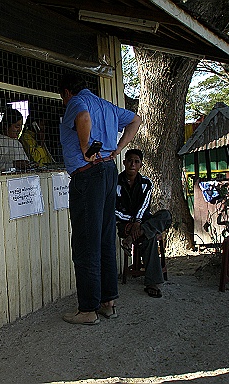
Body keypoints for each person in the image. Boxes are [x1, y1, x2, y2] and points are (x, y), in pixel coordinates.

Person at [58, 72, 141, 325]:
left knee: (85, 241)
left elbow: (82, 117)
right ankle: (108, 302)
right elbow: (136, 120)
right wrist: (119, 148)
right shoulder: (106, 105)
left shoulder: (76, 103)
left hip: (88, 176)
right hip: (107, 171)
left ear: (67, 93)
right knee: (105, 238)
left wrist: (85, 148)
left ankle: (87, 309)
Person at [116, 148, 172, 298]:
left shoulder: (146, 183)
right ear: (124, 163)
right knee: (150, 235)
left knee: (165, 215)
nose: (132, 164)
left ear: (140, 165)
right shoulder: (115, 183)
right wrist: (132, 222)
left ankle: (131, 239)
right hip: (124, 224)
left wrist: (138, 223)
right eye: (129, 161)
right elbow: (113, 209)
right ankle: (152, 283)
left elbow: (144, 206)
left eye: (136, 162)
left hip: (142, 222)